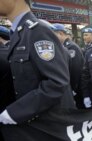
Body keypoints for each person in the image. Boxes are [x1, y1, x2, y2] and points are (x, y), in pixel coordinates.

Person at [0, 0, 76, 140]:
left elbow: (57, 83)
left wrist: (16, 112)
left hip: (50, 125)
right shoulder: (18, 32)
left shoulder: (37, 30)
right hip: (33, 123)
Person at [52, 23, 86, 108]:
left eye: (53, 34)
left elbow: (75, 70)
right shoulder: (63, 46)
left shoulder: (71, 47)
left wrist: (73, 88)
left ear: (60, 33)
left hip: (76, 87)